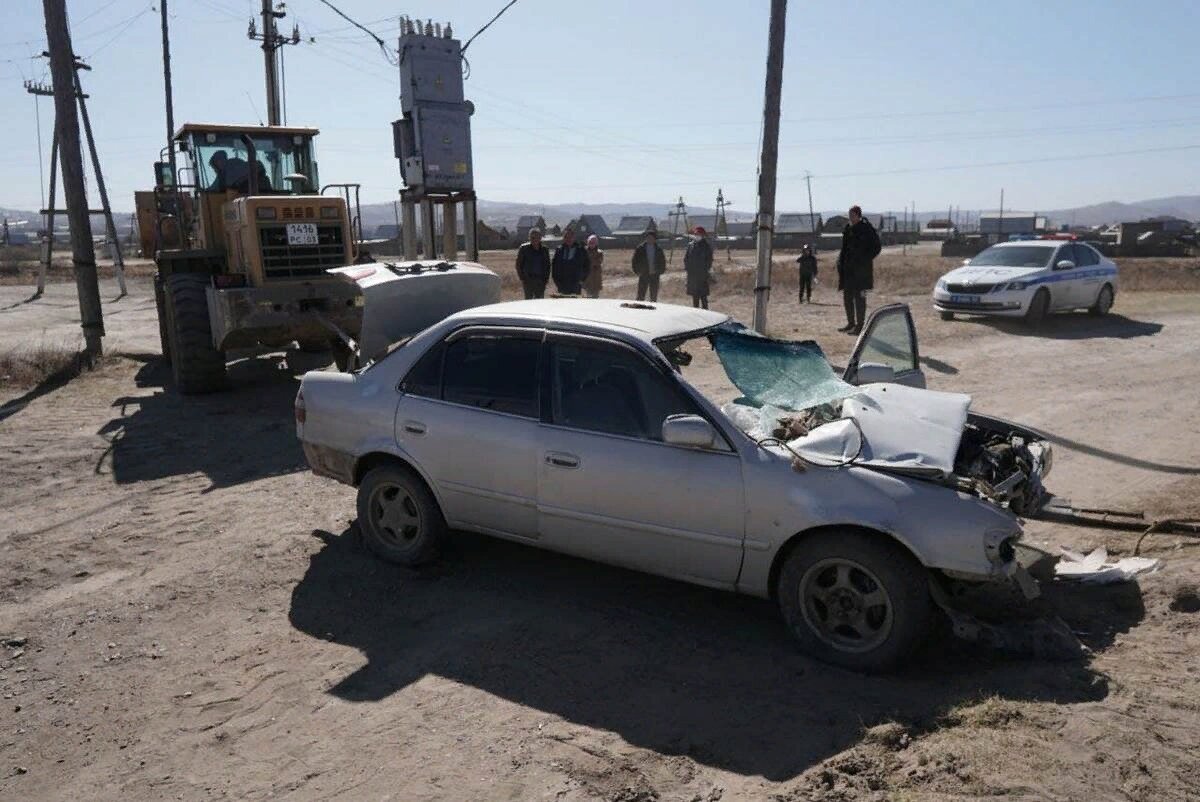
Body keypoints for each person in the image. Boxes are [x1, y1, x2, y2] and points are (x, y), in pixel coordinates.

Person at [836, 205, 881, 334]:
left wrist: (865, 259)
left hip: (861, 272)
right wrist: (840, 262)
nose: (850, 217)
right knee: (847, 297)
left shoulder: (866, 229)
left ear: (858, 215)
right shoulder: (848, 229)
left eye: (853, 215)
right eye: (849, 215)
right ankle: (850, 323)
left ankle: (860, 326)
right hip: (848, 271)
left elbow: (877, 247)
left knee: (859, 299)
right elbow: (844, 248)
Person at [551, 227, 590, 295]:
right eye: (566, 237)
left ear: (574, 237)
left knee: (575, 304)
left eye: (570, 237)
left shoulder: (581, 250)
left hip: (576, 284)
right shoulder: (559, 250)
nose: (568, 239)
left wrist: (581, 280)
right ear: (564, 238)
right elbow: (554, 266)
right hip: (562, 284)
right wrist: (556, 281)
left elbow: (587, 266)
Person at [515, 228, 551, 299]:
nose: (535, 239)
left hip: (540, 281)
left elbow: (548, 265)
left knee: (539, 301)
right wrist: (522, 278)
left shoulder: (544, 250)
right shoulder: (524, 249)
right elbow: (518, 265)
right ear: (529, 238)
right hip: (528, 280)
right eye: (532, 237)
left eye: (537, 237)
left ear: (540, 238)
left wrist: (546, 279)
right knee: (528, 302)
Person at [631, 229, 666, 302]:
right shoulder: (640, 248)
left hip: (655, 275)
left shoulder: (658, 249)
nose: (649, 239)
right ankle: (639, 309)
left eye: (651, 237)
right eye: (648, 237)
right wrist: (637, 271)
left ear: (654, 238)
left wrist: (660, 271)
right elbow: (634, 261)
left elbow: (662, 261)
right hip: (643, 274)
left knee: (653, 295)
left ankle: (653, 309)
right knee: (641, 295)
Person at [683, 226, 714, 309]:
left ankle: (705, 314)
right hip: (693, 276)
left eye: (699, 234)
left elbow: (709, 260)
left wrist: (704, 270)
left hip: (702, 276)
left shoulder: (706, 246)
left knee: (703, 297)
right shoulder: (690, 245)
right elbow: (686, 259)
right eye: (696, 234)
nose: (697, 235)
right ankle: (696, 314)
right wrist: (688, 269)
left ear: (703, 235)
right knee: (695, 297)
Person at [582, 234, 604, 298]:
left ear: (596, 243)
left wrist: (589, 262)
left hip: (596, 278)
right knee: (588, 297)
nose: (592, 244)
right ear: (588, 243)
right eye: (590, 242)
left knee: (595, 297)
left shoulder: (600, 252)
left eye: (593, 243)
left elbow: (598, 262)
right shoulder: (584, 251)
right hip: (587, 278)